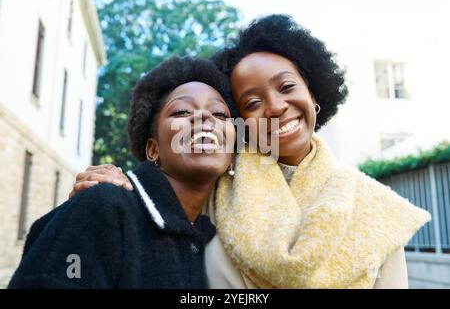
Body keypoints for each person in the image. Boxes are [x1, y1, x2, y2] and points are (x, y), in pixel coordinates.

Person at [69, 15, 431, 289]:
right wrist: (104, 190)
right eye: (252, 102)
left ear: (314, 95)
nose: (275, 107)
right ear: (239, 122)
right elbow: (145, 212)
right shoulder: (215, 189)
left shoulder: (375, 207)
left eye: (287, 86)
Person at [8, 56, 235, 288]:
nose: (204, 117)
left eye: (220, 114)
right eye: (182, 111)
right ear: (153, 149)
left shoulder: (211, 237)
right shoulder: (105, 206)